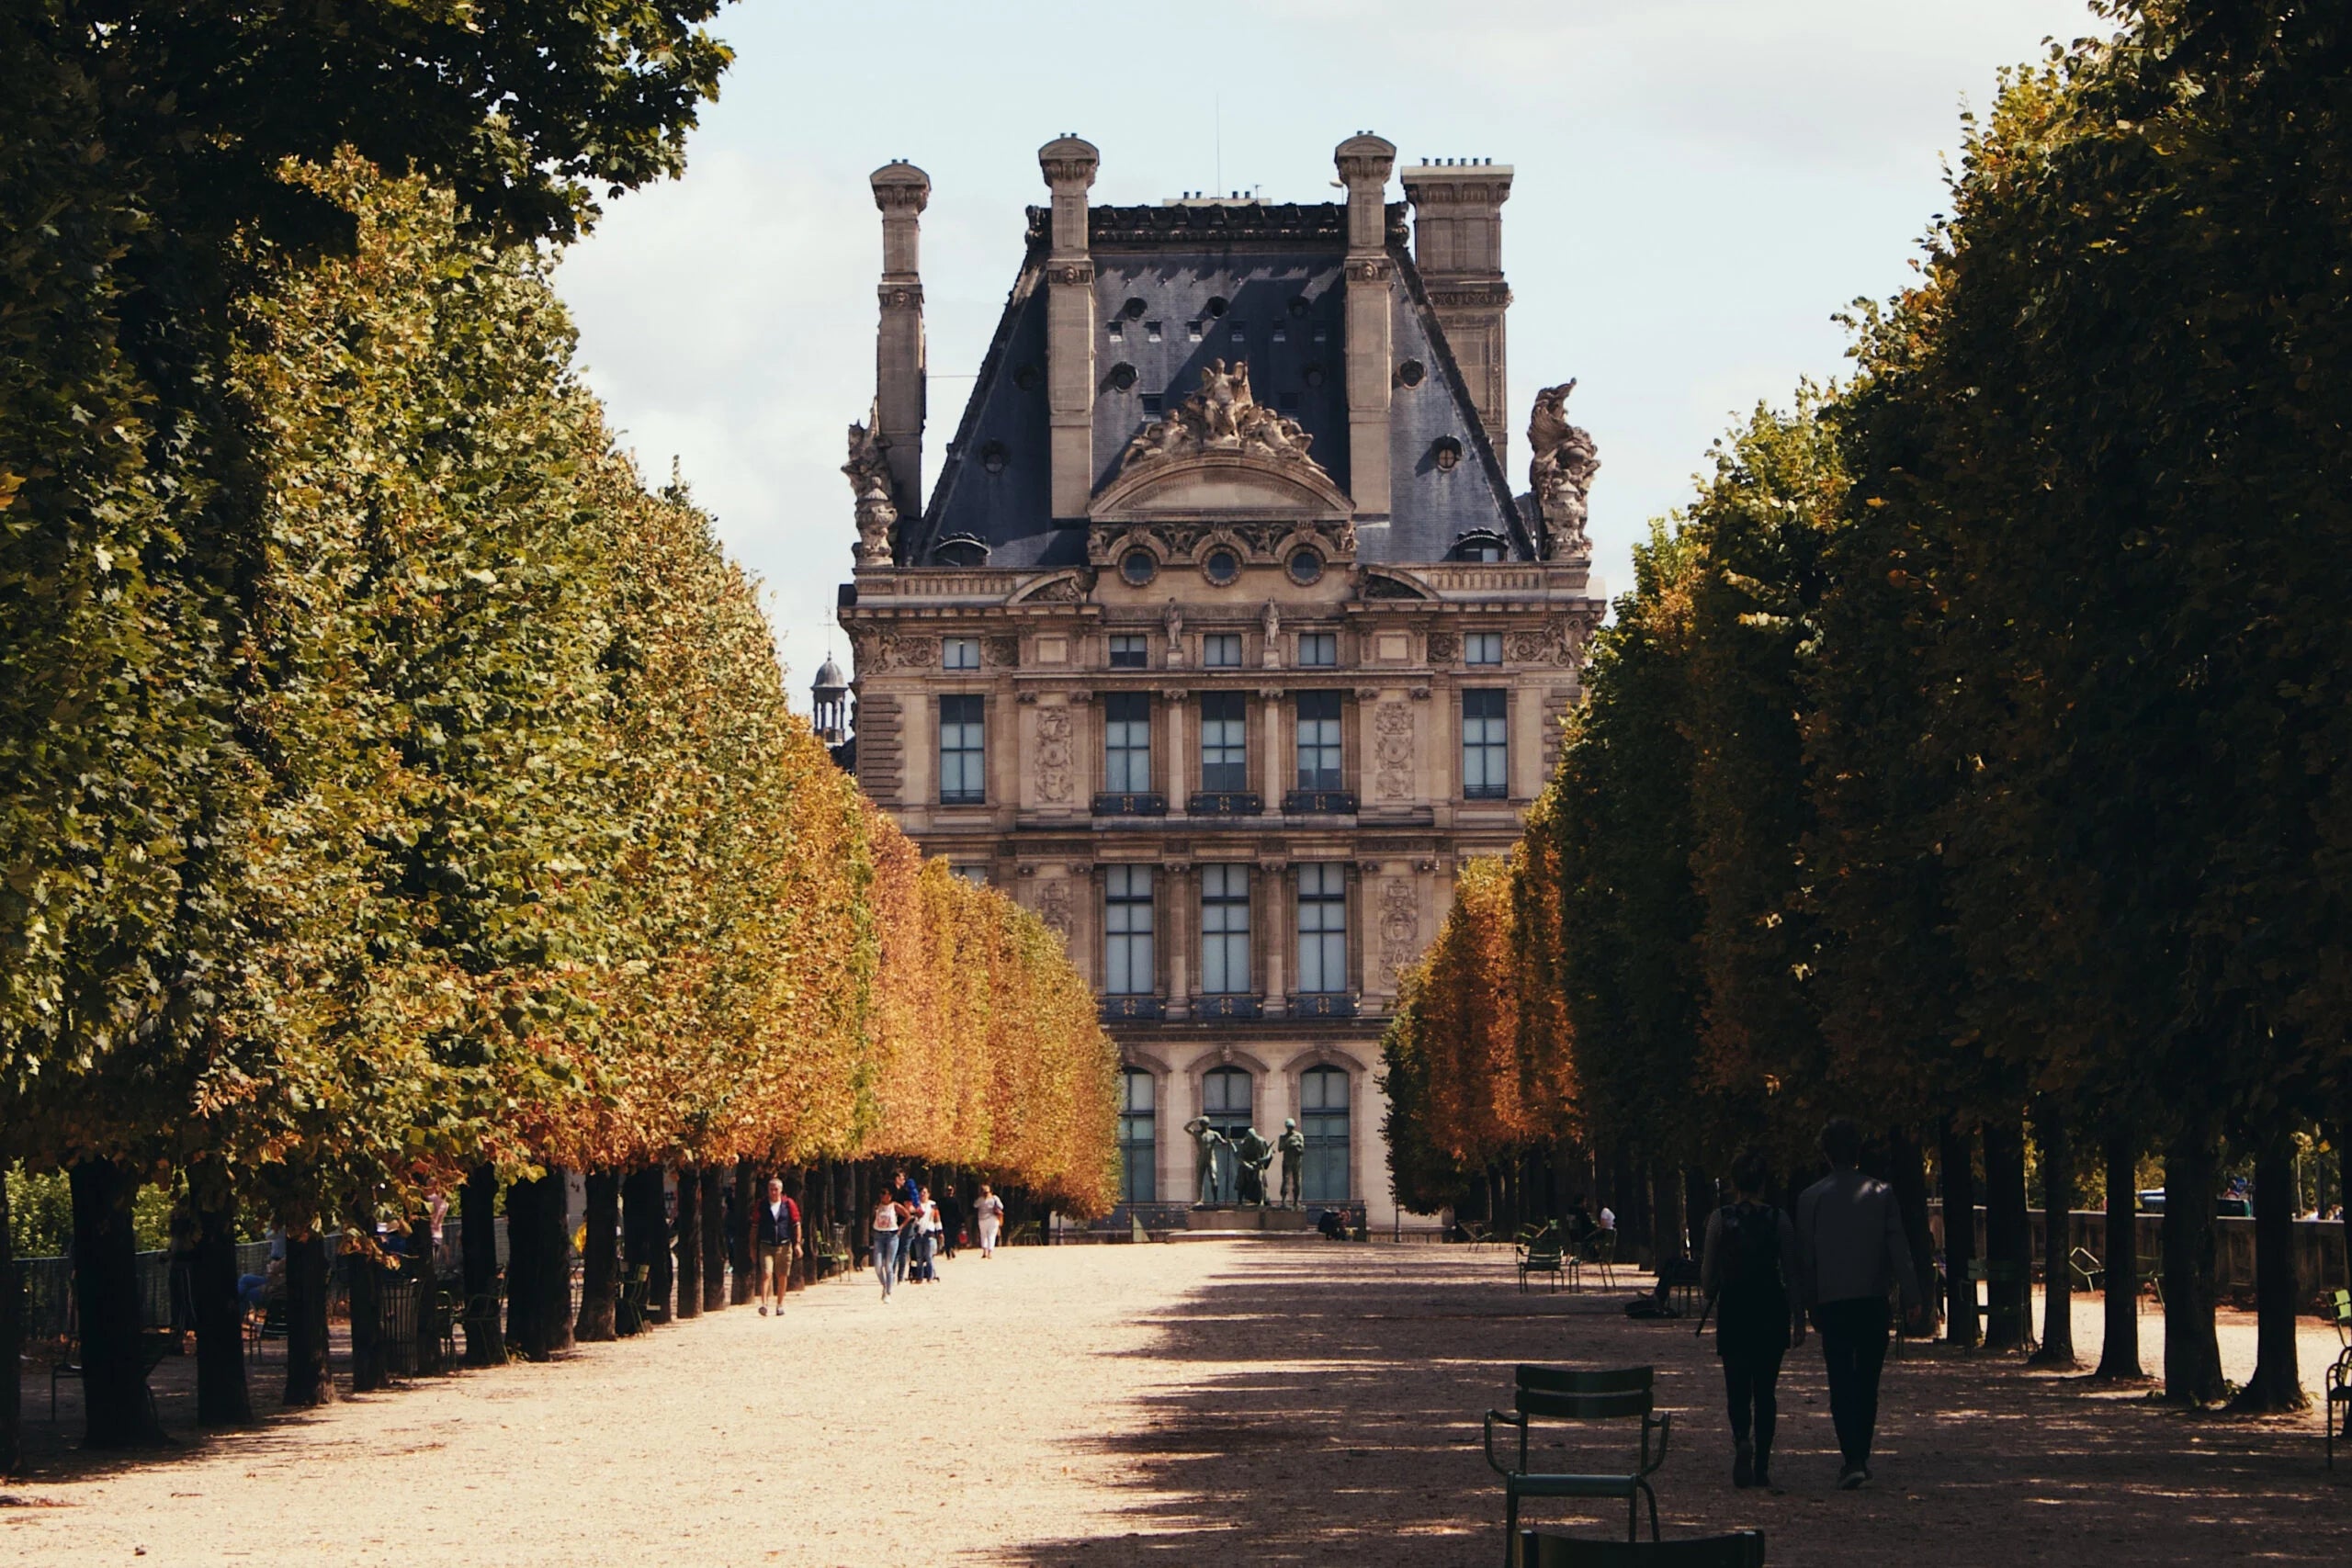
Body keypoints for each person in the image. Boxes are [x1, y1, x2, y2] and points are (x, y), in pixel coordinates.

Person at [1796, 1118, 1925, 1489]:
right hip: (1872, 1299)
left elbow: (1808, 1257)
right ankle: (1860, 1454)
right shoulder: (1881, 1194)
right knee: (1867, 1381)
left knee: (1840, 1380)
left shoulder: (1810, 1198)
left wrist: (1808, 1302)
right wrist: (1912, 1295)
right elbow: (1898, 1248)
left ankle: (1851, 1456)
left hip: (1833, 1301)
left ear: (1824, 1152)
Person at [1701, 1149, 1805, 1490]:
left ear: (1733, 1182)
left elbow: (1707, 1277)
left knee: (1737, 1387)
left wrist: (1712, 1289)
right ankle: (1762, 1463)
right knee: (1766, 1390)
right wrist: (1799, 1316)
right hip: (1770, 1310)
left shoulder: (1720, 1219)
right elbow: (1791, 1271)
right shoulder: (1779, 1220)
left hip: (1734, 1309)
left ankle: (1740, 1436)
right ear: (1763, 1182)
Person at [755, 1177, 798, 1316]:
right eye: (771, 1189)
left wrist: (797, 1244)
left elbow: (796, 1224)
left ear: (781, 1190)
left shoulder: (788, 1204)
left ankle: (780, 1304)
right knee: (766, 1273)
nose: (773, 1192)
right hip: (766, 1245)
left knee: (782, 1275)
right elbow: (754, 1226)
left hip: (784, 1245)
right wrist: (751, 1247)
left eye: (776, 1189)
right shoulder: (762, 1205)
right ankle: (764, 1304)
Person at [871, 1187, 908, 1302]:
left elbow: (908, 1216)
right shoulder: (877, 1206)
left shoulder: (895, 1206)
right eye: (881, 1193)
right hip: (878, 1235)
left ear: (890, 1195)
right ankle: (884, 1285)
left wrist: (900, 1228)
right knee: (877, 1266)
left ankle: (888, 1292)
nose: (882, 1196)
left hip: (892, 1236)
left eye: (884, 1193)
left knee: (888, 1265)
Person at [974, 1182, 1005, 1257]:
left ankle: (985, 1251)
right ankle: (990, 1252)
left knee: (983, 1235)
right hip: (993, 1219)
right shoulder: (995, 1198)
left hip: (982, 1219)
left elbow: (975, 1205)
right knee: (992, 1235)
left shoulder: (980, 1199)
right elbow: (1001, 1207)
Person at [938, 1184, 965, 1259]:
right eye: (948, 1190)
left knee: (953, 1236)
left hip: (954, 1222)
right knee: (947, 1237)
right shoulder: (942, 1201)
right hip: (945, 1222)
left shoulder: (956, 1201)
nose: (949, 1192)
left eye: (950, 1190)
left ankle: (952, 1248)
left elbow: (958, 1211)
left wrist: (961, 1221)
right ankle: (948, 1252)